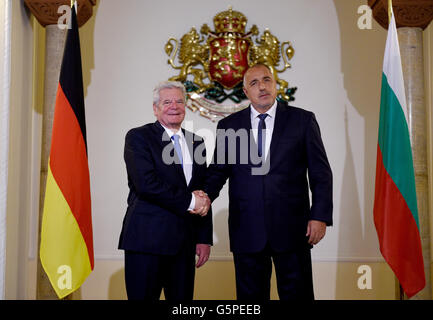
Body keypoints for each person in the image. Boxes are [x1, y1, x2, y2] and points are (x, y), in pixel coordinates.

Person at [204, 64, 333, 300]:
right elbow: (218, 172)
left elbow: (321, 173)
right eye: (254, 83)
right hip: (247, 231)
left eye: (266, 80)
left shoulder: (302, 120)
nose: (262, 86)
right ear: (245, 91)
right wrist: (202, 198)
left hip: (293, 229)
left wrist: (320, 216)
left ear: (275, 85)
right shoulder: (229, 126)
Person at [118, 81, 212, 301]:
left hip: (184, 245)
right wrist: (191, 201)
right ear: (155, 108)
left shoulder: (196, 142)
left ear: (186, 106)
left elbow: (201, 190)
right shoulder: (138, 137)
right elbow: (146, 183)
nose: (174, 106)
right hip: (146, 241)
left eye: (179, 101)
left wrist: (203, 238)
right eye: (167, 101)